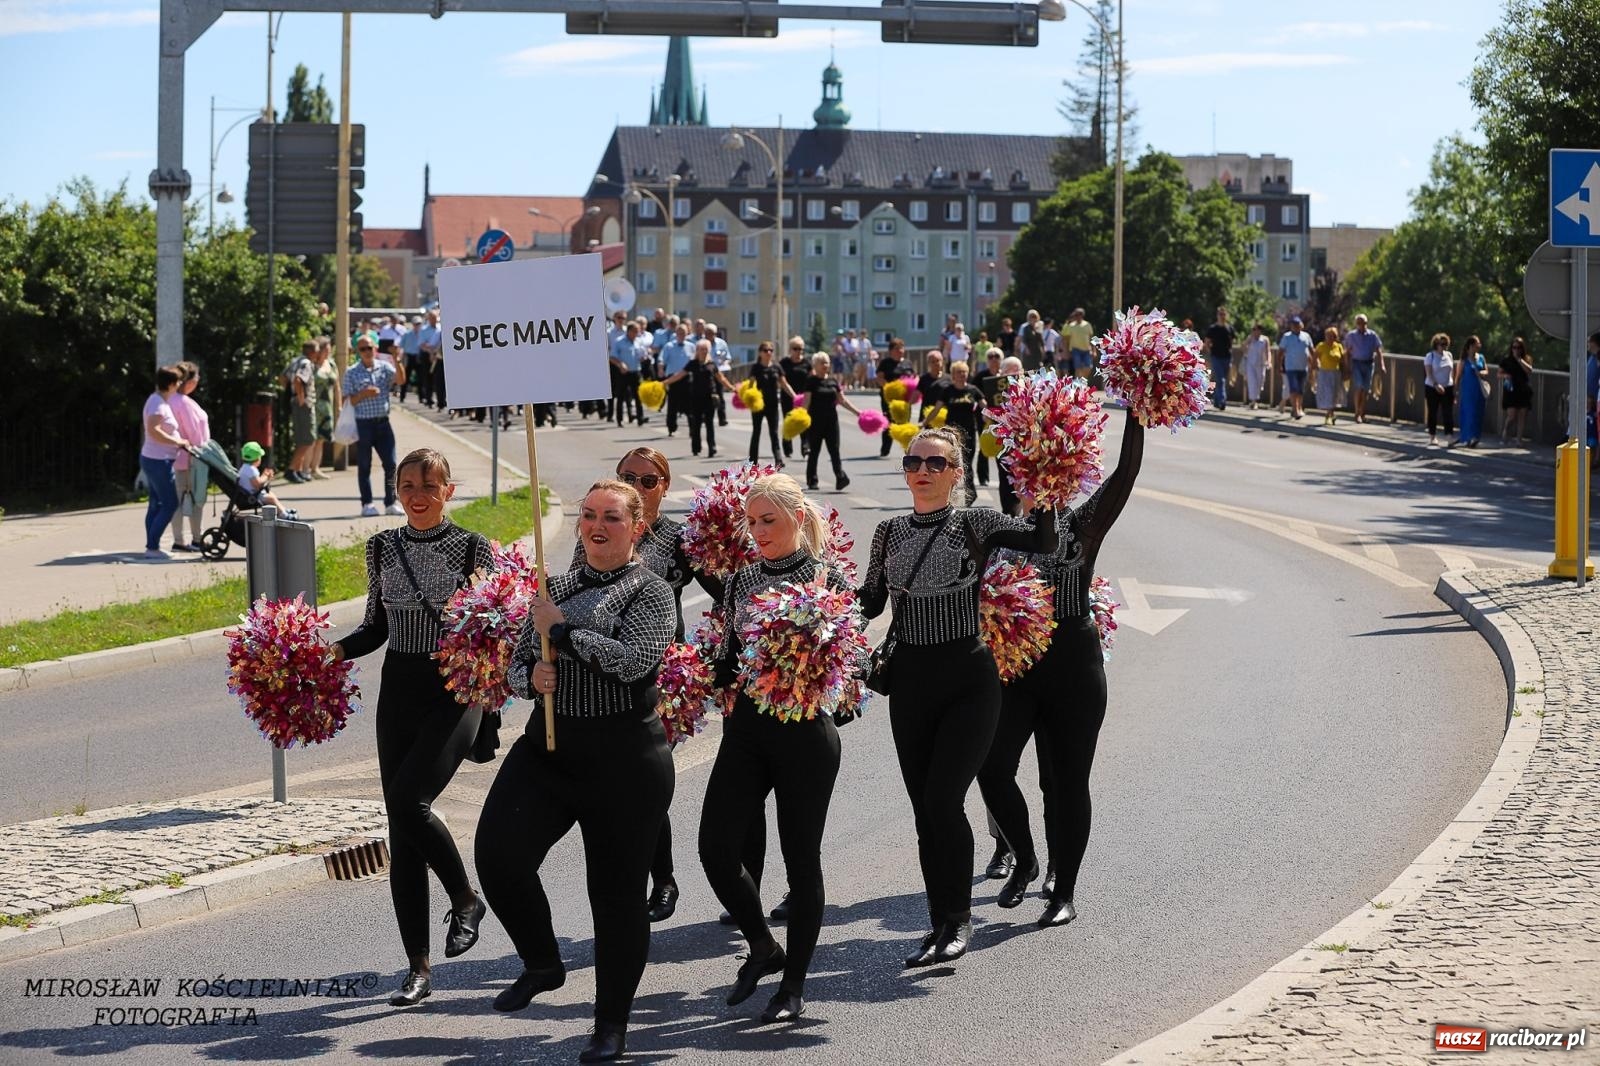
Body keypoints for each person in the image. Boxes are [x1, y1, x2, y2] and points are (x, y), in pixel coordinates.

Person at [476, 481, 677, 1063]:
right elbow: (515, 666)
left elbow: (635, 666)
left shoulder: (652, 592)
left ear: (635, 527)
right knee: (498, 857)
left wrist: (564, 633)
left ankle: (610, 1022)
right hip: (548, 751)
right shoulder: (553, 588)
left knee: (615, 898)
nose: (596, 525)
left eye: (611, 517)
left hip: (624, 759)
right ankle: (542, 960)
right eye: (588, 515)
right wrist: (529, 679)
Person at [858, 428, 1056, 967]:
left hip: (969, 680)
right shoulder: (889, 532)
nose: (922, 470)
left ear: (956, 473)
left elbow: (1042, 542)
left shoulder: (976, 521)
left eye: (935, 462)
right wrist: (817, 617)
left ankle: (959, 922)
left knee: (944, 800)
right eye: (913, 461)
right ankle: (938, 920)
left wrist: (1047, 487)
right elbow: (870, 602)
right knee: (926, 811)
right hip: (912, 685)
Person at [329, 449, 493, 1008]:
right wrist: (333, 652)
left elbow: (492, 626)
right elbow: (376, 626)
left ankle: (466, 899)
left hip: (454, 687)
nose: (417, 496)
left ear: (449, 489)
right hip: (398, 688)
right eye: (406, 486)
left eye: (428, 485)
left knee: (408, 801)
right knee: (402, 829)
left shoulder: (475, 547)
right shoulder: (382, 546)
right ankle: (417, 966)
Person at [976, 409, 1144, 927]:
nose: (1033, 479)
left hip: (1073, 662)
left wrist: (1137, 415)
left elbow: (1126, 473)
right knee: (991, 766)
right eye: (1022, 469)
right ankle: (1024, 857)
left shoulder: (1083, 523)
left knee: (1064, 782)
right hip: (1016, 669)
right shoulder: (1000, 530)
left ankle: (1063, 888)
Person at [699, 474, 854, 1024]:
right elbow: (727, 654)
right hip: (746, 730)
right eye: (752, 520)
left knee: (800, 861)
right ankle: (763, 947)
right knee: (715, 849)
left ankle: (793, 985)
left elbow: (845, 661)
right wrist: (701, 673)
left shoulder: (826, 576)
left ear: (796, 517)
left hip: (805, 734)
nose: (758, 530)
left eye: (769, 520)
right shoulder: (740, 581)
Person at [577, 448, 727, 924]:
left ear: (664, 486)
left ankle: (661, 878)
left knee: (645, 780)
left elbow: (726, 594)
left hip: (660, 671)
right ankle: (644, 876)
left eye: (647, 480)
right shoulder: (601, 526)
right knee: (619, 781)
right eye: (627, 477)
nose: (637, 487)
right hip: (599, 668)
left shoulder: (681, 539)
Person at [343, 337, 407, 517]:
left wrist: (397, 359)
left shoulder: (384, 367)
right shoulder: (352, 372)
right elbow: (347, 400)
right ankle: (367, 503)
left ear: (375, 348)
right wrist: (364, 394)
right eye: (363, 349)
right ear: (358, 352)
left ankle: (390, 502)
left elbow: (400, 380)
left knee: (392, 464)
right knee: (364, 465)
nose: (367, 351)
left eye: (369, 347)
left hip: (383, 423)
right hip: (363, 424)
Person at [139, 364, 191, 560]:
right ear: (170, 384)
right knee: (169, 503)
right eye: (177, 381)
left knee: (156, 504)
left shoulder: (157, 400)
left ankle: (151, 545)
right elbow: (153, 430)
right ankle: (152, 547)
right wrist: (178, 441)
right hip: (158, 461)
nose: (179, 384)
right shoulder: (158, 404)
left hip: (157, 459)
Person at [662, 340, 737, 458]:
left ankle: (712, 447)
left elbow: (721, 378)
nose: (703, 351)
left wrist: (732, 388)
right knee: (696, 424)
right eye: (701, 349)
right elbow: (680, 375)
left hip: (710, 398)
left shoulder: (712, 364)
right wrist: (665, 382)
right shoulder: (692, 363)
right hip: (695, 398)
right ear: (697, 351)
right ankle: (696, 448)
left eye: (705, 349)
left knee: (709, 424)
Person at [925, 361, 986, 506]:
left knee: (967, 464)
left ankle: (970, 494)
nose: (962, 375)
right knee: (951, 465)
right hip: (951, 435)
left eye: (964, 372)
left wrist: (992, 417)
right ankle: (947, 495)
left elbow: (985, 406)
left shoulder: (973, 390)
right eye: (958, 372)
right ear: (953, 375)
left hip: (969, 432)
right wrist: (924, 422)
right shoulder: (947, 391)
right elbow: (937, 409)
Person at [802, 353, 861, 492]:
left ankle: (840, 477)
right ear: (815, 365)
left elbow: (843, 401)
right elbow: (806, 403)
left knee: (834, 450)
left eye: (827, 362)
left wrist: (858, 413)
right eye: (822, 362)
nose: (825, 365)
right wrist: (800, 420)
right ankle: (812, 479)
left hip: (831, 422)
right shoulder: (811, 381)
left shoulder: (833, 381)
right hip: (815, 422)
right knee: (814, 451)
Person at [168, 362, 210, 553]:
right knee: (195, 499)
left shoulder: (173, 400)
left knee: (177, 500)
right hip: (191, 458)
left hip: (177, 458)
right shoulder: (184, 403)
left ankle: (179, 539)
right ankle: (196, 538)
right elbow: (194, 433)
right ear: (190, 381)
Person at [747, 342, 796, 467]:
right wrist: (748, 398)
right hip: (758, 405)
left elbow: (784, 384)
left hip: (773, 405)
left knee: (774, 433)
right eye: (765, 350)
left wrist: (795, 397)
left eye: (770, 350)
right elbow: (750, 386)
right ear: (760, 353)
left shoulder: (776, 367)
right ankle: (753, 462)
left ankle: (778, 460)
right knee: (756, 432)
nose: (768, 352)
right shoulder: (756, 368)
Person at [971, 349, 1005, 487]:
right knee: (984, 445)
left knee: (1002, 446)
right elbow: (973, 394)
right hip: (984, 416)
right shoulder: (980, 376)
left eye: (996, 356)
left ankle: (1003, 475)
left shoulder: (1005, 376)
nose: (993, 359)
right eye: (990, 357)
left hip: (1003, 417)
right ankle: (983, 477)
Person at [1343, 314, 1384, 424]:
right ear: (1356, 324)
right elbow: (1346, 352)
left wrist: (1382, 364)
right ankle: (1357, 413)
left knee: (1366, 390)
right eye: (1360, 323)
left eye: (1364, 323)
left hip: (1369, 363)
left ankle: (1362, 412)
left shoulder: (1372, 335)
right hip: (1356, 363)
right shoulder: (1351, 336)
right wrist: (1347, 366)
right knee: (1359, 387)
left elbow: (1378, 350)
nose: (1362, 325)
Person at [287, 340, 319, 482]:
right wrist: (301, 398)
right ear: (312, 351)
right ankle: (292, 469)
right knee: (307, 439)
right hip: (304, 405)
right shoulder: (306, 363)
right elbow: (299, 380)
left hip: (295, 403)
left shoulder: (295, 361)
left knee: (301, 438)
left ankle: (297, 470)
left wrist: (290, 394)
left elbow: (283, 377)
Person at [309, 338, 339, 479]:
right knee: (311, 438)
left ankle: (315, 468)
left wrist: (338, 405)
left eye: (329, 349)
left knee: (321, 438)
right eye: (325, 349)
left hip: (327, 406)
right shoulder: (312, 365)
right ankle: (306, 468)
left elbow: (337, 387)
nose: (328, 352)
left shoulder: (332, 364)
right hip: (314, 405)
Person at [609, 321, 648, 427]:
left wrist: (644, 357)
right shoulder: (619, 341)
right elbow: (612, 357)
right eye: (635, 331)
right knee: (621, 397)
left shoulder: (639, 342)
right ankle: (619, 419)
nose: (636, 333)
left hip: (636, 372)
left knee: (638, 396)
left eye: (638, 331)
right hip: (623, 373)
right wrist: (620, 364)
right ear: (629, 331)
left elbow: (643, 354)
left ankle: (640, 418)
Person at [659, 322, 694, 437]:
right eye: (679, 333)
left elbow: (694, 362)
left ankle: (693, 429)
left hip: (686, 378)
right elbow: (661, 359)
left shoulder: (691, 346)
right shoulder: (669, 346)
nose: (681, 335)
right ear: (676, 333)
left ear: (687, 333)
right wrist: (661, 369)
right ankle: (671, 427)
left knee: (689, 405)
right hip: (673, 378)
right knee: (672, 404)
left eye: (683, 333)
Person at [781, 338, 814, 458]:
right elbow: (782, 381)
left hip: (804, 398)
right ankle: (787, 445)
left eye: (800, 349)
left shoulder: (807, 363)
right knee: (788, 420)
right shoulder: (784, 363)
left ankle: (805, 446)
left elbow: (812, 378)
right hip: (788, 397)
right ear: (790, 349)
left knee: (803, 421)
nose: (798, 351)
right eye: (795, 349)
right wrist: (793, 396)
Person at [1423, 333, 1456, 446]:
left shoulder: (1449, 355)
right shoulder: (1430, 356)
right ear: (1436, 345)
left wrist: (1453, 387)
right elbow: (1428, 373)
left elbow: (1451, 371)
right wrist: (1436, 384)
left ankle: (1449, 436)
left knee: (1448, 412)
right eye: (1442, 344)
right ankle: (1433, 436)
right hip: (1433, 387)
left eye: (1446, 344)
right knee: (1433, 412)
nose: (1444, 347)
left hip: (1447, 386)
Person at [1499, 336, 1533, 445]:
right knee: (1512, 415)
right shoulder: (1506, 360)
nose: (1516, 350)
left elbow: (1529, 370)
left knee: (1522, 416)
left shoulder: (1526, 359)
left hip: (1523, 389)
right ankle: (1506, 431)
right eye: (1514, 347)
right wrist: (1505, 376)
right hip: (1511, 390)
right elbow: (1498, 374)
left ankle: (1519, 439)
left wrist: (1520, 360)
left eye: (1519, 348)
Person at [877, 338, 908, 457]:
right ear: (891, 351)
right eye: (897, 349)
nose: (900, 351)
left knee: (904, 423)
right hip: (888, 398)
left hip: (904, 399)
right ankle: (885, 449)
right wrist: (891, 388)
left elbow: (913, 378)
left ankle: (908, 450)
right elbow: (880, 378)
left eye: (902, 348)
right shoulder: (885, 363)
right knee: (888, 422)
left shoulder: (907, 363)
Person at [1455, 334, 1487, 448]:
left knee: (1478, 413)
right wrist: (1456, 392)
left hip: (1478, 389)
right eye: (1476, 344)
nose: (1478, 346)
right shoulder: (1464, 360)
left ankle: (1476, 437)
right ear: (1471, 346)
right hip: (1467, 391)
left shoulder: (1481, 357)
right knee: (1469, 413)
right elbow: (1458, 376)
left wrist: (1482, 373)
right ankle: (1468, 438)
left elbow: (1486, 370)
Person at [1278, 317, 1313, 421]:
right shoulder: (1287, 337)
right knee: (1293, 388)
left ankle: (1298, 407)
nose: (1296, 327)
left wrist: (1314, 363)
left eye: (1298, 325)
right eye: (1294, 325)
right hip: (1291, 367)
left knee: (1300, 390)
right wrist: (1279, 365)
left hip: (1303, 367)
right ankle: (1296, 409)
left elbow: (1311, 350)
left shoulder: (1306, 336)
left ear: (1301, 325)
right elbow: (1280, 352)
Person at [236, 441, 286, 511]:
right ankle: (284, 514)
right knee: (272, 498)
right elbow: (257, 484)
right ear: (257, 458)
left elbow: (256, 481)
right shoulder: (251, 469)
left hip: (249, 494)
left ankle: (283, 510)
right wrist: (266, 476)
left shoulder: (244, 468)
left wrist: (264, 476)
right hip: (253, 496)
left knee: (271, 495)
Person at [1203, 307, 1235, 411]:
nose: (1222, 316)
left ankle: (1216, 401)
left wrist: (1231, 354)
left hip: (1227, 357)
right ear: (1217, 315)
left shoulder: (1229, 328)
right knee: (1221, 380)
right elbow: (1207, 341)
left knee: (1222, 380)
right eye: (1220, 314)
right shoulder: (1213, 329)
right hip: (1216, 357)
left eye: (1224, 314)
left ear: (1226, 316)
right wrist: (1210, 352)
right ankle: (1222, 401)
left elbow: (1232, 342)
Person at [1314, 327, 1347, 425]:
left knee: (1334, 396)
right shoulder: (1321, 346)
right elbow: (1315, 358)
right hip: (1325, 373)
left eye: (1332, 336)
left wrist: (1346, 371)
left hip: (1336, 373)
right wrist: (1314, 369)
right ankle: (1328, 415)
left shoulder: (1338, 346)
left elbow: (1342, 361)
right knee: (1328, 394)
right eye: (1328, 336)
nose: (1330, 338)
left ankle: (1331, 414)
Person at [1242, 324, 1271, 409]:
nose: (1255, 331)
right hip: (1250, 364)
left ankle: (1255, 398)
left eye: (1256, 330)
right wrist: (1247, 342)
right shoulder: (1250, 338)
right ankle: (1253, 402)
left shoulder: (1265, 339)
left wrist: (1269, 361)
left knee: (1260, 382)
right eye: (1253, 330)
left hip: (1261, 364)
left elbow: (1268, 351)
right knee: (1252, 382)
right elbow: (1243, 347)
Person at [418, 310, 442, 410]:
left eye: (435, 318)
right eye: (432, 318)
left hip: (439, 356)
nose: (434, 320)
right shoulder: (423, 330)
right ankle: (429, 400)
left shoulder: (440, 329)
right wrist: (431, 352)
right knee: (427, 379)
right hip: (427, 356)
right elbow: (422, 344)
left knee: (439, 380)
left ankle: (441, 402)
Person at [1063, 308, 1095, 382]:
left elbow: (1091, 338)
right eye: (1076, 315)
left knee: (1088, 367)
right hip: (1075, 350)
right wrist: (1067, 351)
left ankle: (1083, 381)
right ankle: (1078, 385)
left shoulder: (1087, 324)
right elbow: (1066, 339)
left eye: (1080, 314)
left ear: (1082, 315)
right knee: (1077, 367)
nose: (1078, 316)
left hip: (1086, 350)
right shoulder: (1071, 326)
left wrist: (1094, 350)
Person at [917, 350, 948, 423]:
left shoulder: (949, 378)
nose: (936, 363)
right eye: (933, 361)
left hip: (944, 416)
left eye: (938, 360)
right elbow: (915, 395)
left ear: (942, 362)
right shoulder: (923, 379)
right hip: (927, 414)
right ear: (928, 363)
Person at [399, 315, 424, 404]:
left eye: (419, 324)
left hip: (419, 357)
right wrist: (401, 357)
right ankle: (402, 397)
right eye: (416, 324)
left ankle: (421, 398)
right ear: (413, 324)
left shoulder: (423, 333)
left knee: (420, 379)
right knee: (405, 378)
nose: (418, 326)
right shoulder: (407, 334)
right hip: (409, 357)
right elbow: (401, 346)